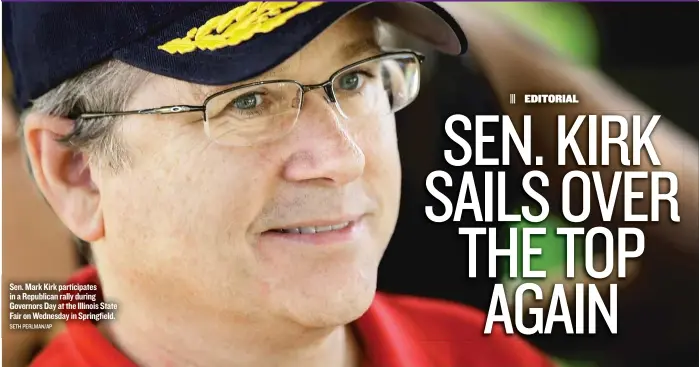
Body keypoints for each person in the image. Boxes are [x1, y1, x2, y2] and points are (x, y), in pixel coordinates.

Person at [4, 2, 697, 367]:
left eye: (357, 77)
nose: (338, 156)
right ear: (76, 170)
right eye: (246, 100)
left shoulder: (482, 353)